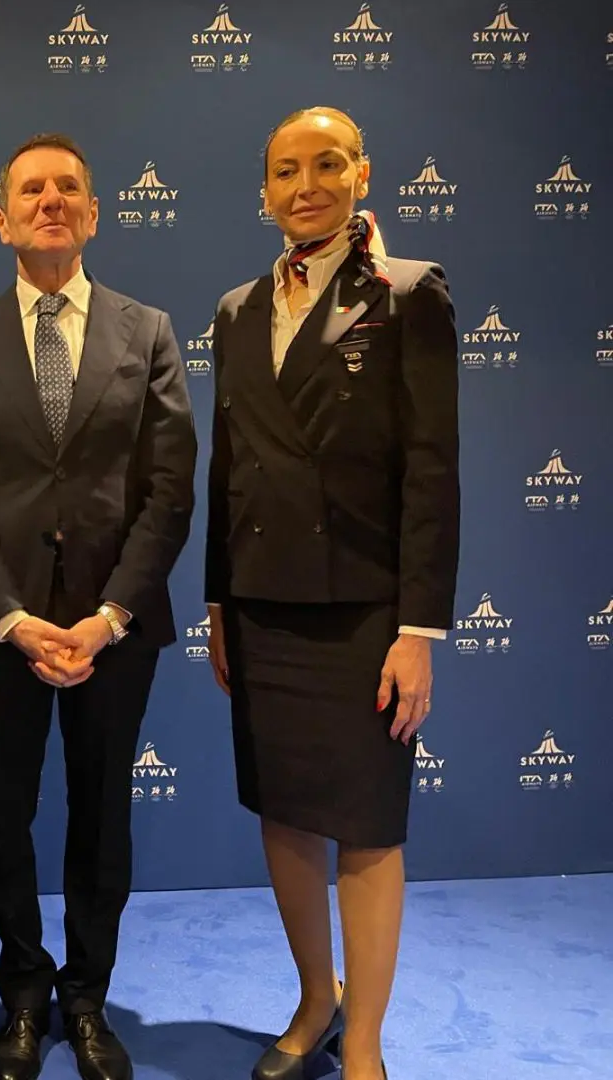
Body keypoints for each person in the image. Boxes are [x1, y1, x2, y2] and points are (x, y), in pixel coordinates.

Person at [0, 134, 196, 1080]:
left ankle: (86, 1000)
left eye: (68, 188)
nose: (50, 200)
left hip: (113, 632)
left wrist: (109, 616)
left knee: (101, 818)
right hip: (1, 632)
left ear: (92, 214)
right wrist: (9, 617)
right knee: (5, 818)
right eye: (31, 190)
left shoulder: (148, 332)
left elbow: (169, 491)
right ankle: (24, 996)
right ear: (2, 220)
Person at [204, 106, 459, 1080]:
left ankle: (365, 1045)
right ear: (264, 189)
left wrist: (417, 629)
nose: (304, 185)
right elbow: (229, 468)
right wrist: (219, 604)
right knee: (284, 812)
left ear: (362, 174)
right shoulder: (236, 310)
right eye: (285, 170)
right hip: (263, 606)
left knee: (368, 826)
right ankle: (318, 998)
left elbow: (432, 471)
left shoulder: (409, 293)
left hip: (364, 613)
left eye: (325, 164)